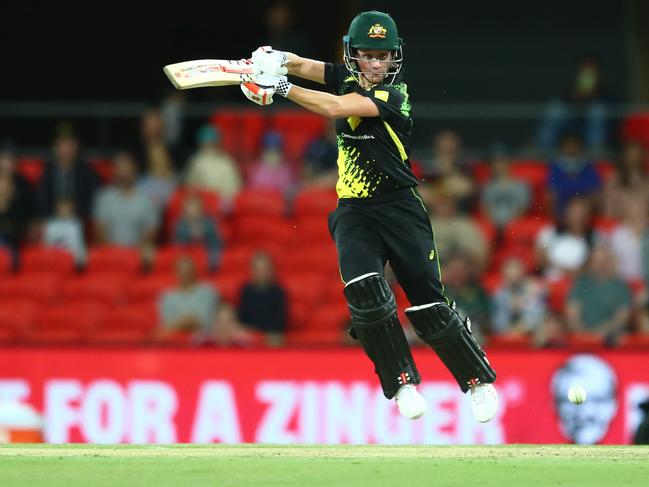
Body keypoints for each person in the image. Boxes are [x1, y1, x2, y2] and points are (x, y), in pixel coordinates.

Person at [239, 10, 498, 422]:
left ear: (394, 58)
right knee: (365, 294)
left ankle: (477, 381)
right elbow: (307, 65)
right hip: (355, 211)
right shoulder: (343, 75)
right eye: (367, 56)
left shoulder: (395, 97)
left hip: (400, 208)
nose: (376, 64)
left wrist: (281, 87)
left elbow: (335, 107)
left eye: (383, 56)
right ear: (353, 56)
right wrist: (272, 58)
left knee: (428, 307)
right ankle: (401, 383)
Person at [92, 152, 158, 255]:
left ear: (134, 170)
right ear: (113, 171)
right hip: (109, 255)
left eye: (126, 166)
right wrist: (113, 254)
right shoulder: (103, 198)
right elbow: (100, 231)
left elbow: (151, 232)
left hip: (138, 255)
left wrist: (133, 255)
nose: (123, 171)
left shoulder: (147, 199)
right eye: (119, 167)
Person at [158, 255, 218, 343]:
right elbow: (167, 325)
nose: (185, 274)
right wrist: (189, 321)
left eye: (188, 271)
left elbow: (204, 321)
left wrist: (180, 323)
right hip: (175, 343)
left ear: (194, 271)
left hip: (204, 342)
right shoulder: (166, 296)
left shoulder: (207, 291)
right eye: (181, 271)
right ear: (175, 272)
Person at [237, 251, 287, 347]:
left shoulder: (278, 292)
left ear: (270, 270)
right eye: (257, 269)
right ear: (252, 270)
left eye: (264, 269)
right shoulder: (245, 291)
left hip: (270, 336)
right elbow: (242, 318)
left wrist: (261, 333)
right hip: (250, 335)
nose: (261, 272)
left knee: (275, 338)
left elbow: (280, 323)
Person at [184, 125, 243, 206]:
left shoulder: (227, 162)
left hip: (223, 205)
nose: (208, 147)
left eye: (211, 144)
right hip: (203, 205)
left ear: (217, 144)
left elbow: (236, 189)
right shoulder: (195, 162)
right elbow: (190, 188)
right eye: (205, 144)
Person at [43, 197, 87, 266]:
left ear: (72, 209)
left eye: (67, 208)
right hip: (55, 261)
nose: (64, 210)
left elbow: (80, 246)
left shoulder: (76, 224)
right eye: (62, 208)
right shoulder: (51, 225)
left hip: (74, 262)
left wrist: (81, 261)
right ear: (57, 209)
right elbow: (47, 246)